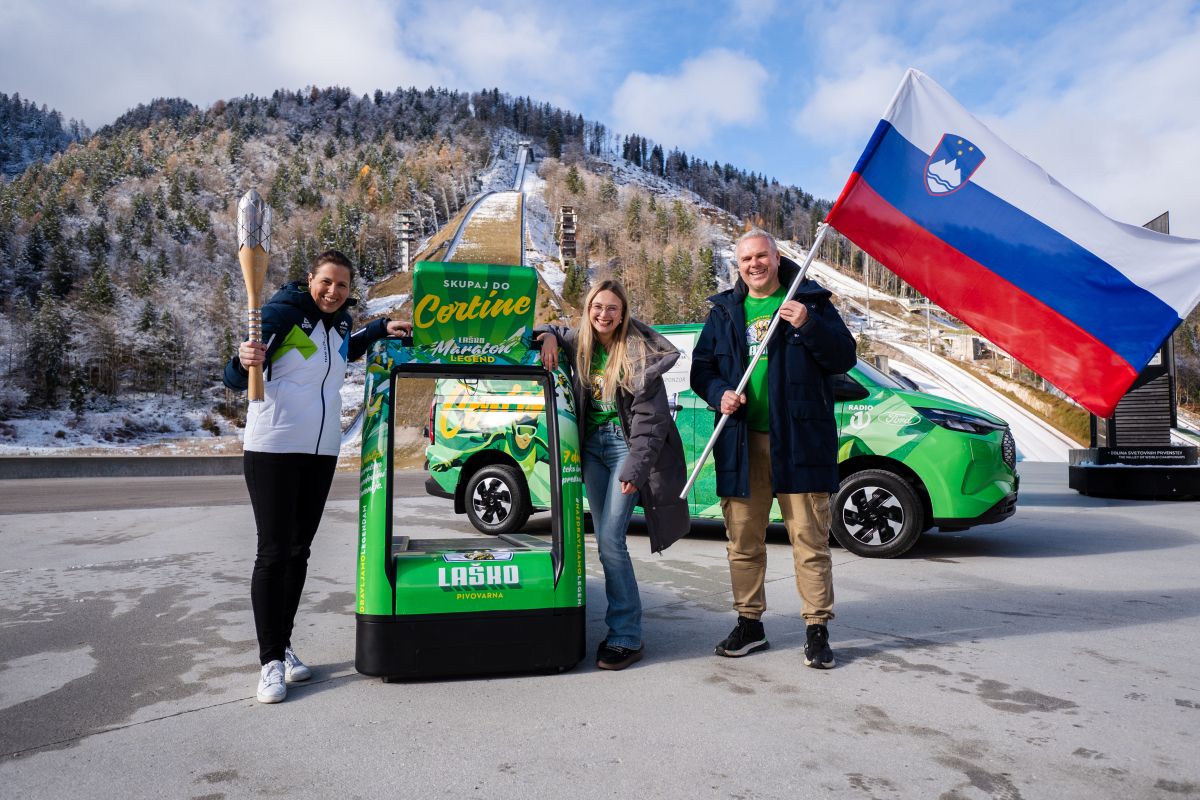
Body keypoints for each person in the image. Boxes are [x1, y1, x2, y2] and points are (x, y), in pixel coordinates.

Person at [223, 249, 409, 703]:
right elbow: (235, 377)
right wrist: (242, 360)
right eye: (326, 282)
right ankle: (270, 661)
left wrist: (379, 329)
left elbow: (344, 351)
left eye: (342, 285)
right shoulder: (280, 314)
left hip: (322, 450)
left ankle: (283, 645)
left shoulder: (340, 323)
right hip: (274, 447)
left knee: (298, 551)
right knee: (273, 553)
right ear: (310, 279)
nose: (333, 291)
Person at [690, 230, 856, 669]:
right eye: (746, 259)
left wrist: (808, 324)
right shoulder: (724, 311)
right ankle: (750, 624)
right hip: (742, 443)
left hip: (800, 442)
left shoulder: (811, 301)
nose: (754, 264)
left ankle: (816, 629)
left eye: (761, 255)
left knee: (809, 540)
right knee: (743, 540)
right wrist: (719, 393)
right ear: (739, 264)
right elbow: (701, 370)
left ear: (777, 257)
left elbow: (844, 358)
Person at [536, 280, 690, 671]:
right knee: (606, 542)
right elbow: (551, 330)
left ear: (622, 314)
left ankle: (626, 635)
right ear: (588, 309)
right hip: (591, 449)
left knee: (610, 540)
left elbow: (651, 418)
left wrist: (636, 468)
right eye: (597, 307)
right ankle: (621, 625)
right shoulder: (580, 342)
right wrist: (548, 337)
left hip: (625, 448)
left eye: (612, 309)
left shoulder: (637, 351)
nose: (603, 314)